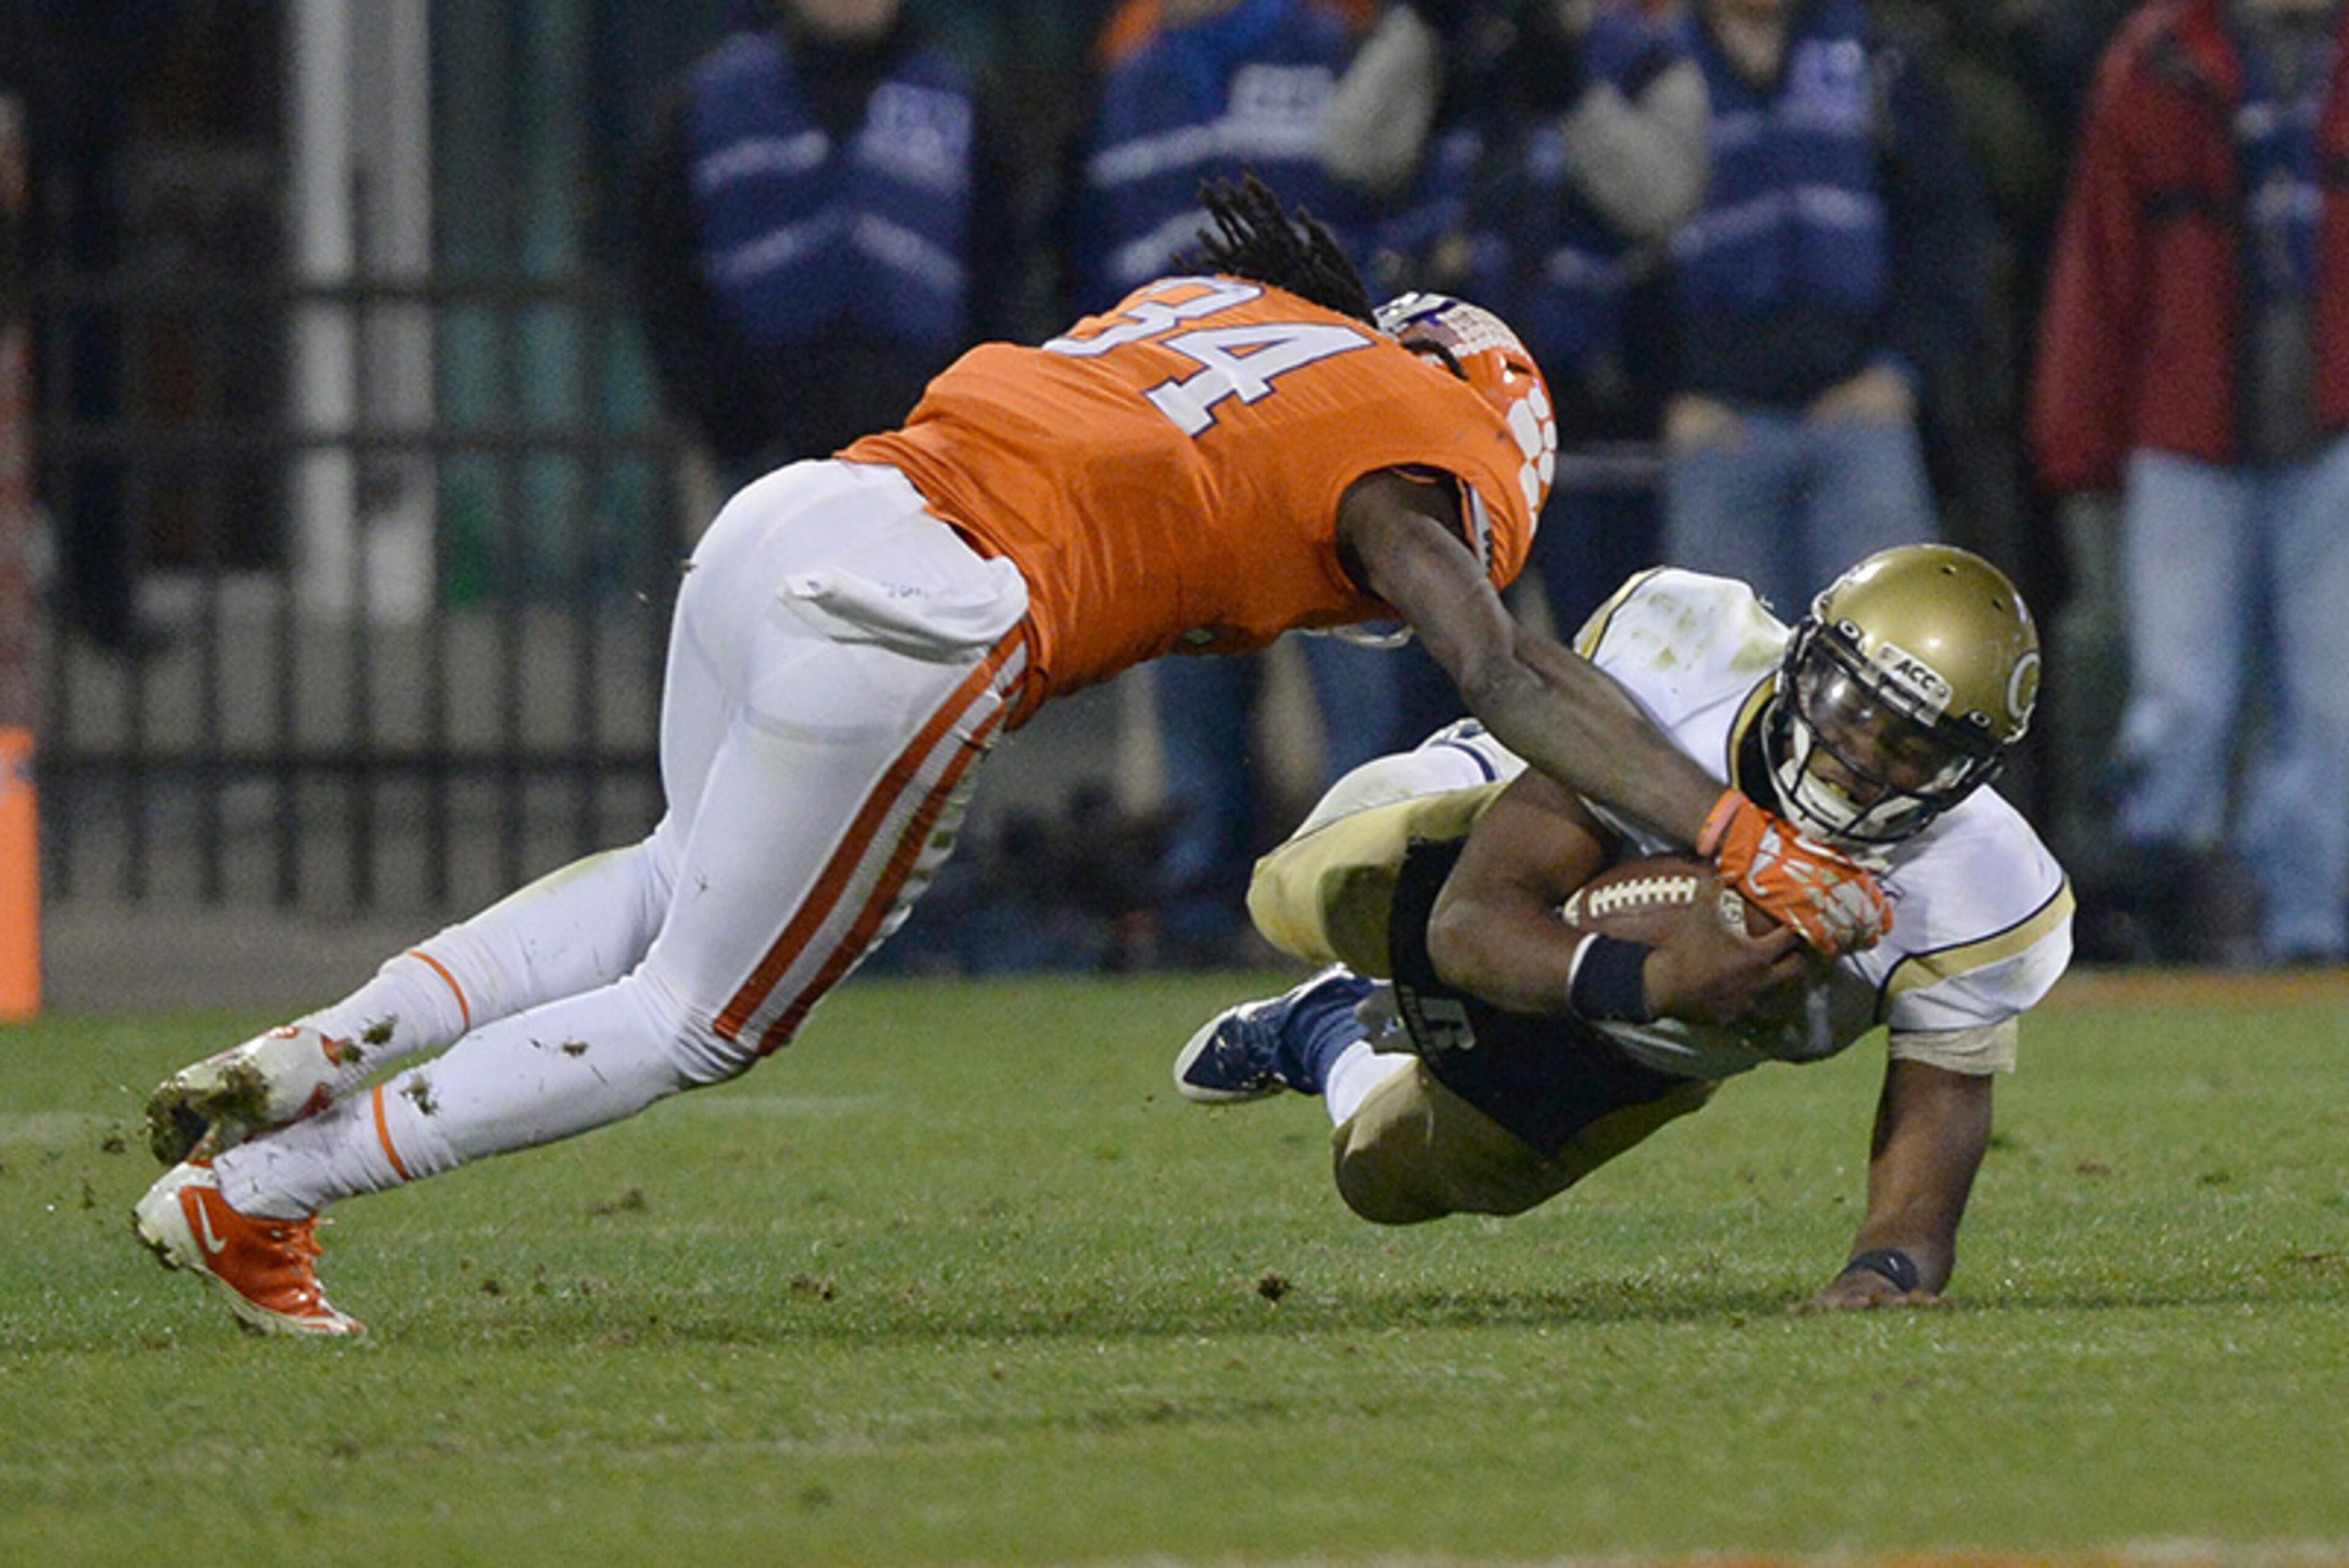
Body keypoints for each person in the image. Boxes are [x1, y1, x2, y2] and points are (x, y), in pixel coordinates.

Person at [128, 177, 1887, 1337]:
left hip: (806, 507)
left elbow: (1231, 441)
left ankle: (313, 1048)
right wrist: (1738, 829)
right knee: (703, 1012)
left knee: (676, 867)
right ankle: (265, 1188)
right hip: (930, 609)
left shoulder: (1234, 313)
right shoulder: (1420, 442)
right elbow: (1501, 666)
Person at [1174, 544, 2071, 1309]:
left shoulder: (1980, 878)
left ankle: (1327, 1026)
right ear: (1806, 659)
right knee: (1306, 893)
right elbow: (1473, 918)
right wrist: (1661, 975)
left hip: (1647, 1045)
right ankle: (1359, 974)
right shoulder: (1689, 660)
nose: (1864, 756)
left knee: (1385, 1179)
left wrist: (1888, 1266)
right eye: (1856, 707)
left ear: (1966, 775)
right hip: (1506, 849)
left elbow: (1943, 1105)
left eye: (1914, 747)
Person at [1064, 0, 1402, 964]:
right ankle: (1200, 913)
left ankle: (1356, 900)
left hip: (1325, 423)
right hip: (1171, 438)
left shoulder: (1326, 42)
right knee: (1193, 690)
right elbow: (1097, 248)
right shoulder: (1135, 70)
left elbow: (1376, 214)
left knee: (1356, 690)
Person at [2030, 0, 2349, 968]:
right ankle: (2150, 912)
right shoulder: (2158, 57)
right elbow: (2102, 254)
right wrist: (2079, 431)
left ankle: (2307, 928)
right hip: (2186, 420)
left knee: (2333, 698)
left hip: (2332, 420)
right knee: (2181, 697)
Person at [1658, 0, 1992, 617]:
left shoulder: (1878, 58)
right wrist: (1667, 391)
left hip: (1861, 410)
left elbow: (1948, 227)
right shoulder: (1652, 65)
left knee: (1887, 666)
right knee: (1720, 687)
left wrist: (1900, 370)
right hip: (1716, 424)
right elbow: (1616, 245)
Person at [626, 0, 1024, 488]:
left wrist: (969, 414)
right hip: (758, 450)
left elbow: (1001, 271)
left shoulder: (960, 102)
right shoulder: (713, 101)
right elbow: (662, 268)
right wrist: (720, 413)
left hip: (926, 449)